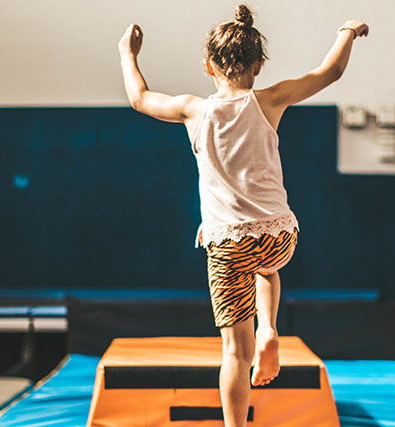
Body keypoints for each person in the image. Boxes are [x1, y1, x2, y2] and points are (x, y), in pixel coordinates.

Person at [118, 5, 368, 426]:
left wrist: (128, 53)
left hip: (227, 243)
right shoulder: (270, 100)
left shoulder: (193, 110)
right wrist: (348, 30)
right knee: (267, 271)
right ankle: (270, 329)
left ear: (207, 65)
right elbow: (329, 72)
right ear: (258, 66)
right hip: (279, 234)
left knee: (235, 351)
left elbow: (139, 99)